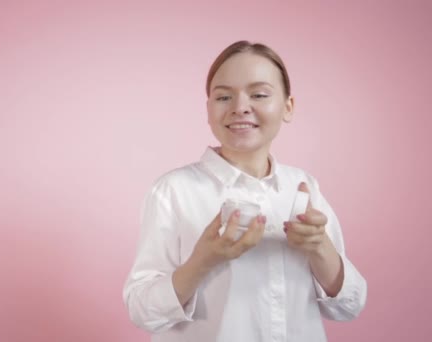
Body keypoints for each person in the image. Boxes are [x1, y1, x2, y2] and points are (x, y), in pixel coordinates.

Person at [122, 40, 367, 341]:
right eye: (223, 97)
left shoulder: (304, 188)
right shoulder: (173, 191)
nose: (240, 108)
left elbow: (350, 306)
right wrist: (203, 261)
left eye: (259, 94)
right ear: (209, 109)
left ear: (288, 107)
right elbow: (141, 309)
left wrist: (319, 247)